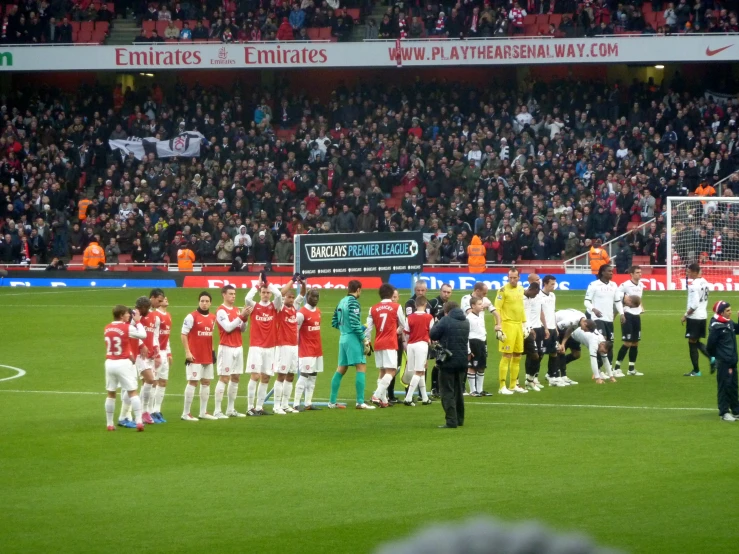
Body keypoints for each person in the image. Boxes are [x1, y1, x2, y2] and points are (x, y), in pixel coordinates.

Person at [328, 280, 376, 410]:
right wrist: (364, 339)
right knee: (361, 367)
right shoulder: (353, 302)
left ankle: (332, 402)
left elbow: (334, 322)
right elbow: (355, 324)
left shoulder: (341, 301)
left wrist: (345, 329)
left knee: (341, 369)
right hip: (352, 338)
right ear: (358, 289)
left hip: (343, 338)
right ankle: (360, 402)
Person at [104, 305, 147, 432]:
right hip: (123, 363)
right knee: (132, 391)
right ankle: (139, 422)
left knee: (111, 393)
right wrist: (138, 322)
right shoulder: (127, 327)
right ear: (121, 315)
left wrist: (130, 354)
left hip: (109, 362)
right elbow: (143, 335)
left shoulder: (107, 328)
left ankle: (110, 424)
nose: (129, 316)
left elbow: (118, 344)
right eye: (127, 314)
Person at [244, 279, 284, 415]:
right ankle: (250, 407)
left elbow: (279, 295)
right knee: (255, 376)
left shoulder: (274, 306)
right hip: (256, 346)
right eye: (263, 292)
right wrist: (257, 285)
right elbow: (247, 297)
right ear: (260, 293)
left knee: (266, 377)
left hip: (270, 347)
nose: (266, 294)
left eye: (268, 293)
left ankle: (259, 407)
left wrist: (269, 283)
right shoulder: (254, 306)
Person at [429, 301, 470, 428]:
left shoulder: (445, 321)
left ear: (446, 311)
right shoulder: (465, 321)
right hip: (462, 361)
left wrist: (438, 320)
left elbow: (433, 334)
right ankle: (459, 418)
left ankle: (451, 420)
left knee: (447, 391)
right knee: (458, 391)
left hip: (448, 361)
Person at [214, 285, 252, 418]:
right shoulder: (221, 311)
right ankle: (217, 410)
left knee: (236, 377)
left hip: (238, 347)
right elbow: (228, 328)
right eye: (230, 294)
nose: (233, 296)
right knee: (224, 377)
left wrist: (245, 318)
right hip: (226, 347)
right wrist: (241, 316)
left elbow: (242, 329)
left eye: (234, 294)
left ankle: (230, 409)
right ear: (223, 295)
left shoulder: (236, 310)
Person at [367, 284, 405, 408]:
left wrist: (367, 341)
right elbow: (403, 325)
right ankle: (376, 395)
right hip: (390, 342)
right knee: (392, 370)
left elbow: (368, 328)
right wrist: (396, 332)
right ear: (390, 294)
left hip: (378, 342)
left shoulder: (373, 308)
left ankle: (383, 401)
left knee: (382, 371)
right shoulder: (396, 307)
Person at [180, 291, 217, 421]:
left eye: (207, 301)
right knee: (193, 382)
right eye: (202, 301)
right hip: (195, 356)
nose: (204, 303)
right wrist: (187, 352)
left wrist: (212, 352)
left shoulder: (213, 318)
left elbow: (209, 336)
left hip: (207, 356)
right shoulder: (191, 317)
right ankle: (185, 413)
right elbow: (183, 334)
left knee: (206, 382)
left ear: (210, 303)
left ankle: (203, 412)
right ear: (199, 302)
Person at [273, 278, 306, 414]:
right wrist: (292, 281)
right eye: (289, 297)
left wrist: (303, 283)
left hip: (294, 346)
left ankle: (285, 404)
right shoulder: (280, 308)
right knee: (281, 375)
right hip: (283, 346)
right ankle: (276, 406)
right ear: (284, 298)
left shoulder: (294, 308)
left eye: (292, 297)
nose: (291, 299)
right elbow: (281, 293)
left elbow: (303, 294)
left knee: (291, 375)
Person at [494, 268, 527, 395]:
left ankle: (513, 385)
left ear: (519, 277)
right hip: (507, 325)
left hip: (518, 325)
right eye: (510, 277)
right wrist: (498, 326)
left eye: (514, 277)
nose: (512, 280)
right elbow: (497, 308)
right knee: (507, 355)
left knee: (518, 355)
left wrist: (525, 324)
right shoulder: (502, 290)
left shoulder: (521, 289)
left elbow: (521, 307)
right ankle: (502, 386)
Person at [584, 264, 623, 369]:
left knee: (610, 344)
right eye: (609, 271)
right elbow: (586, 301)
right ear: (602, 272)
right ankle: (598, 369)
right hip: (597, 319)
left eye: (612, 271)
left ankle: (609, 369)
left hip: (609, 319)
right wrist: (594, 309)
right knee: (602, 343)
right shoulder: (594, 285)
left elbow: (617, 301)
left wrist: (622, 313)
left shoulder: (614, 285)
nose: (611, 273)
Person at [706, 301, 739, 421]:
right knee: (724, 387)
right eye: (728, 310)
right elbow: (710, 346)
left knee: (734, 387)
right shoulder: (716, 326)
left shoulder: (728, 323)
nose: (731, 312)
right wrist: (717, 357)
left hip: (732, 361)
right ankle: (724, 412)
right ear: (721, 312)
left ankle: (736, 411)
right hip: (724, 361)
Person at [294, 287, 323, 411]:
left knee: (313, 376)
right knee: (304, 375)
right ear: (307, 297)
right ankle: (295, 404)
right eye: (313, 297)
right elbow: (295, 332)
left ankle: (308, 403)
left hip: (317, 349)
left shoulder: (318, 311)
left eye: (317, 297)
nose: (315, 299)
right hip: (306, 350)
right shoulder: (301, 313)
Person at [682, 263, 714, 377]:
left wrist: (685, 315)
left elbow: (694, 304)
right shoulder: (705, 282)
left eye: (689, 271)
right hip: (703, 316)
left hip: (694, 317)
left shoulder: (693, 285)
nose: (687, 273)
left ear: (695, 272)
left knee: (692, 343)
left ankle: (697, 370)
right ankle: (711, 358)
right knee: (695, 341)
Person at [402, 296, 434, 406]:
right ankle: (408, 397)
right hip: (422, 345)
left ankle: (424, 397)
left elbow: (406, 333)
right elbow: (432, 333)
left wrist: (406, 344)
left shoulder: (409, 317)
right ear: (425, 305)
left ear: (415, 305)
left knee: (420, 371)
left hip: (411, 345)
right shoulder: (429, 317)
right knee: (419, 371)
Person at [615, 266, 645, 376]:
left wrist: (641, 306)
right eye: (637, 272)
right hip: (627, 315)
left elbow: (639, 298)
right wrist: (624, 299)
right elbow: (617, 295)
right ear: (631, 274)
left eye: (640, 272)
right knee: (627, 342)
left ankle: (631, 369)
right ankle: (616, 368)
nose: (640, 274)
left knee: (635, 342)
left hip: (637, 315)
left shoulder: (641, 285)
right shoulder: (625, 285)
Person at [553, 309, 592, 385]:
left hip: (562, 327)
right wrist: (558, 343)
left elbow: (569, 330)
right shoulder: (571, 321)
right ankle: (557, 376)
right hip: (554, 324)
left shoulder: (583, 318)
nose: (584, 331)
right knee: (559, 351)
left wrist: (563, 343)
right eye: (585, 329)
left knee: (564, 350)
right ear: (585, 324)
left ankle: (562, 376)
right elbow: (556, 328)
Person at [428, 284, 453, 397]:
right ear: (440, 291)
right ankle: (434, 387)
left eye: (448, 292)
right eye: (444, 291)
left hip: (446, 337)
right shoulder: (433, 302)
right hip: (435, 337)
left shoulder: (450, 305)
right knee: (437, 362)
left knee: (444, 362)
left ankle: (440, 387)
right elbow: (428, 318)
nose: (446, 294)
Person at [523, 279, 547, 392]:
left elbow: (540, 312)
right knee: (532, 355)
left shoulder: (535, 297)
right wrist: (529, 327)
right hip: (528, 329)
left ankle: (531, 380)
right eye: (535, 292)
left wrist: (544, 327)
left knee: (539, 354)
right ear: (531, 289)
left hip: (537, 328)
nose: (536, 295)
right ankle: (527, 379)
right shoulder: (522, 298)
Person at [151, 295, 172, 423]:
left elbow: (166, 337)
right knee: (154, 382)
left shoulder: (168, 315)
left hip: (164, 352)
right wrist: (157, 353)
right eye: (163, 298)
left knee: (163, 381)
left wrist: (169, 353)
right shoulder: (156, 316)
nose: (166, 299)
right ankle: (150, 411)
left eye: (166, 298)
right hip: (157, 353)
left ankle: (157, 410)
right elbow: (154, 336)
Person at [466, 296, 490, 397]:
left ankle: (480, 390)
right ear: (473, 306)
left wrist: (485, 344)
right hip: (473, 342)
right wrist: (468, 350)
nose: (482, 306)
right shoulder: (468, 318)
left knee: (482, 366)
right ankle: (472, 390)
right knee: (472, 366)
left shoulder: (481, 315)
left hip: (482, 342)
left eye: (482, 304)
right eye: (479, 304)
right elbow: (466, 335)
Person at [539, 275, 560, 387]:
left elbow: (553, 312)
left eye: (554, 284)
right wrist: (545, 328)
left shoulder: (552, 295)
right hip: (544, 328)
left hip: (553, 328)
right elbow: (539, 313)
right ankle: (534, 376)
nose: (554, 286)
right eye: (552, 284)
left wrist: (555, 327)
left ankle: (551, 376)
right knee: (541, 353)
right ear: (545, 284)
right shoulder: (539, 296)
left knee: (554, 352)